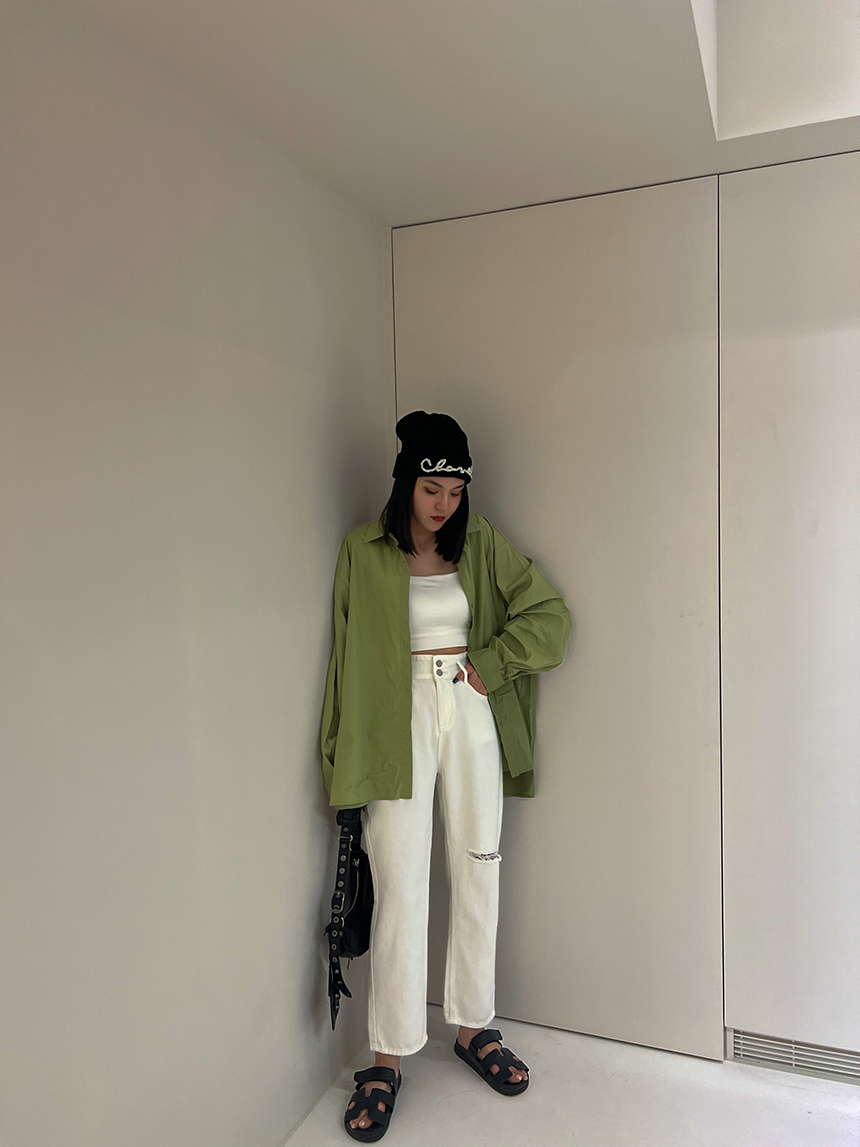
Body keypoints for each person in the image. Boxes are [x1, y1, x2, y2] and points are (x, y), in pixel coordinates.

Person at [319, 411, 572, 1140]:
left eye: (455, 492)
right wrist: (338, 757)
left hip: (467, 703)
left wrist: (490, 665)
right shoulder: (363, 551)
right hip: (392, 717)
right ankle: (388, 1058)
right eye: (431, 488)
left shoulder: (480, 542)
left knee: (478, 865)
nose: (443, 504)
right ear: (406, 483)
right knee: (400, 879)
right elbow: (344, 659)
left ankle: (472, 1027)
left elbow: (550, 617)